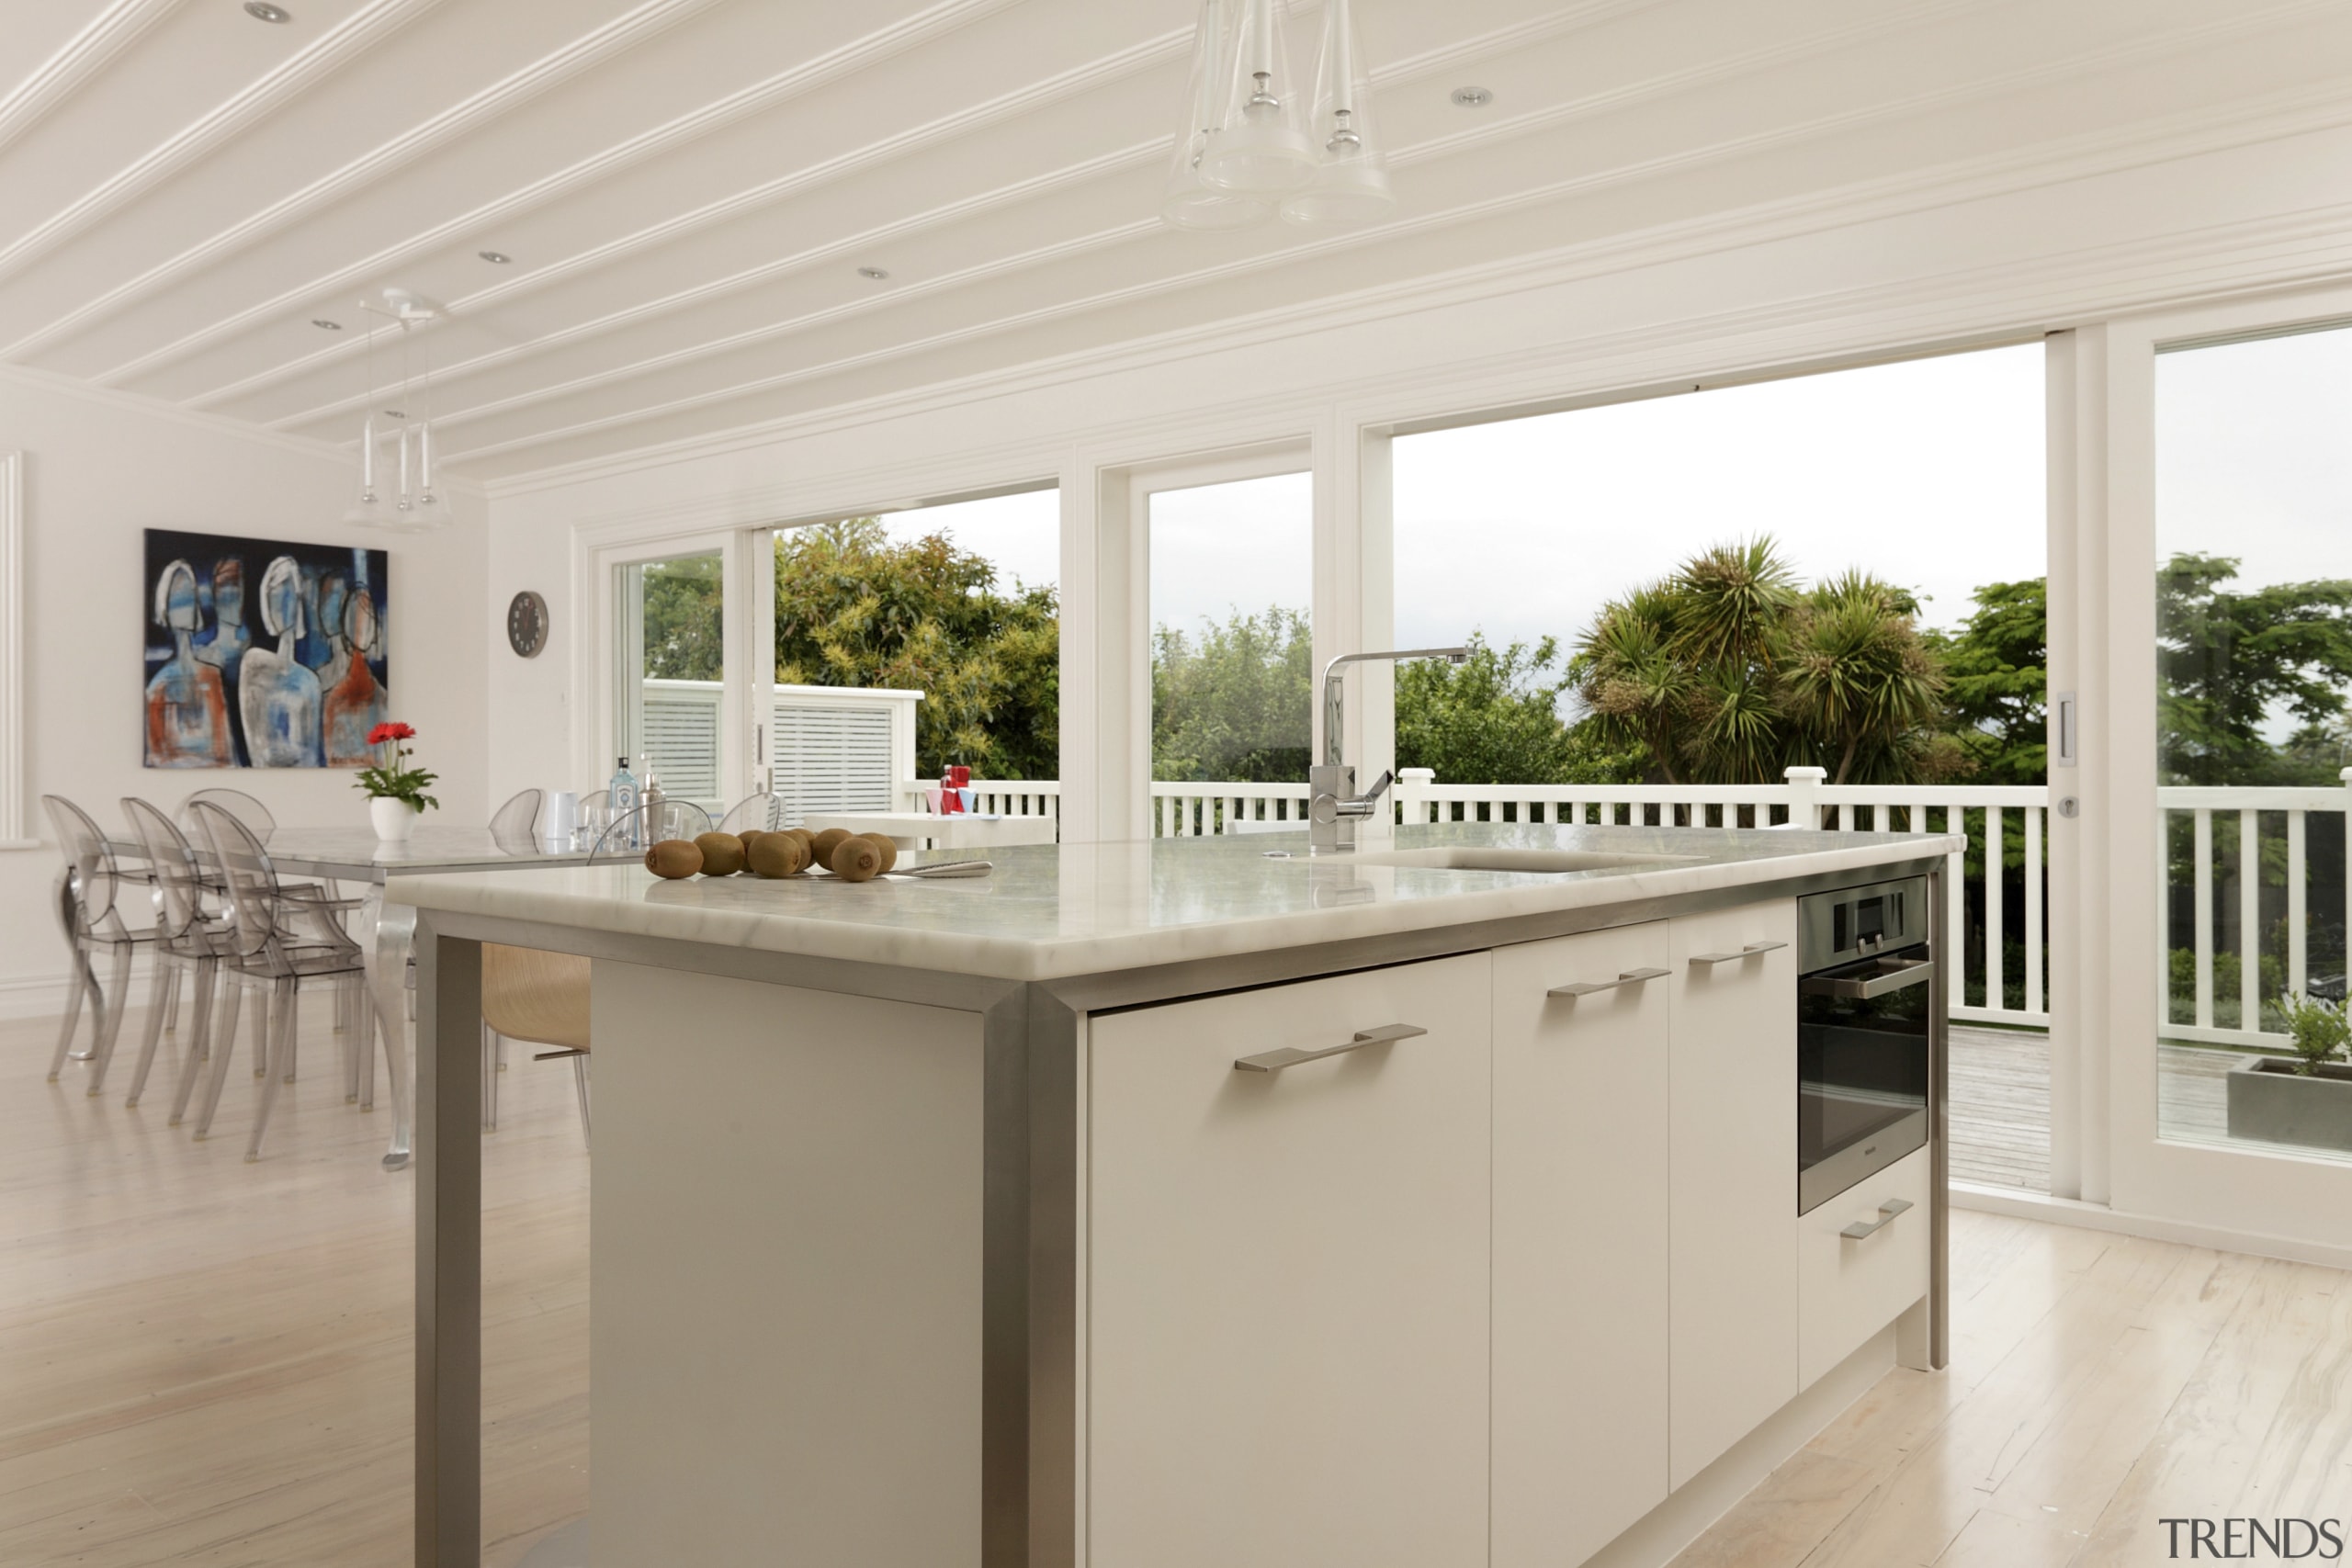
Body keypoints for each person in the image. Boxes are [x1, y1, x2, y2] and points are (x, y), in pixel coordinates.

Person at [144, 558, 233, 768]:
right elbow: (156, 758)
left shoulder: (212, 677)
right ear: (164, 607)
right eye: (177, 598)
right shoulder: (159, 686)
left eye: (189, 597)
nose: (184, 605)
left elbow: (225, 751)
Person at [238, 555, 324, 767]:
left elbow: (311, 751)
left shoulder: (309, 681)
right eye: (274, 593)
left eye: (288, 592)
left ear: (297, 600)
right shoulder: (254, 664)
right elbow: (255, 743)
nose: (282, 602)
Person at [322, 585, 388, 765]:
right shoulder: (333, 699)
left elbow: (386, 759)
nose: (361, 627)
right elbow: (330, 760)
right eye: (355, 618)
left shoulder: (383, 700)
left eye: (368, 619)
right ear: (345, 628)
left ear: (375, 631)